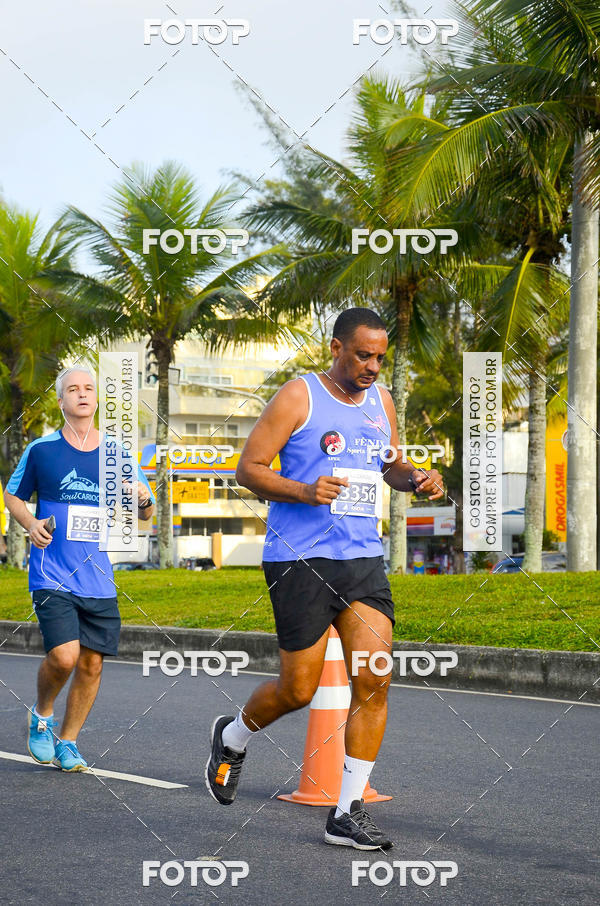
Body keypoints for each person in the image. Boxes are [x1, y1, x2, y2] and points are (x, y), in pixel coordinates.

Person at [205, 308, 444, 849]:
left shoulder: (382, 402)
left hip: (361, 558)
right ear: (336, 348)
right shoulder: (299, 396)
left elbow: (388, 465)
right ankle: (233, 736)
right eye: (363, 354)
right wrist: (305, 490)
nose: (373, 366)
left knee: (375, 676)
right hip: (299, 560)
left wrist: (416, 478)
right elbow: (249, 469)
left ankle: (346, 809)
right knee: (299, 689)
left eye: (381, 357)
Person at [4, 366, 155, 771]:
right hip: (52, 573)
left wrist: (141, 498)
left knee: (91, 663)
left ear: (96, 398)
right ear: (61, 400)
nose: (82, 394)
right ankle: (42, 712)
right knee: (65, 657)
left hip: (99, 578)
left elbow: (146, 513)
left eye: (89, 388)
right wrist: (31, 524)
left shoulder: (118, 454)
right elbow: (13, 496)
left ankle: (68, 741)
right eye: (73, 389)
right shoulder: (42, 450)